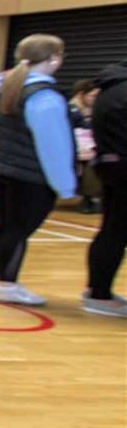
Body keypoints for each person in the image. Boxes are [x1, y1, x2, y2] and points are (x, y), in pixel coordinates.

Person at [0, 34, 77, 306]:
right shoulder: (45, 98)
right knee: (18, 230)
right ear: (53, 58)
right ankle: (7, 283)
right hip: (31, 175)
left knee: (7, 226)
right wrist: (65, 185)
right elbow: (54, 146)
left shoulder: (3, 87)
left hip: (6, 171)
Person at [84, 60, 127, 316]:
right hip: (123, 170)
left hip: (113, 167)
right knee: (114, 233)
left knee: (112, 232)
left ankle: (99, 291)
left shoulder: (111, 88)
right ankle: (99, 295)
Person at [71, 80, 102, 214]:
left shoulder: (90, 110)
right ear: (81, 94)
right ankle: (90, 198)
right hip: (74, 149)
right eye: (93, 96)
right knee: (94, 161)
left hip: (85, 147)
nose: (95, 99)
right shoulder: (72, 110)